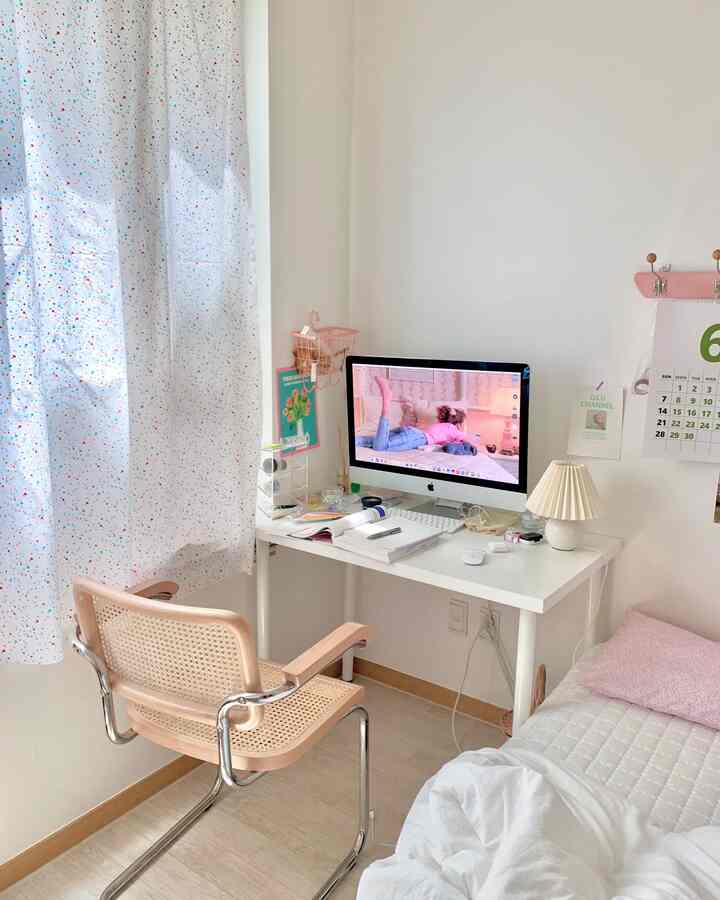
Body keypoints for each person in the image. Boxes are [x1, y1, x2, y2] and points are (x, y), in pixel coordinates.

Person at [356, 376, 470, 452]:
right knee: (381, 447)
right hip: (419, 437)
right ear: (457, 422)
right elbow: (468, 440)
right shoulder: (453, 430)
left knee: (373, 440)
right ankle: (386, 400)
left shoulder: (441, 425)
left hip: (409, 431)